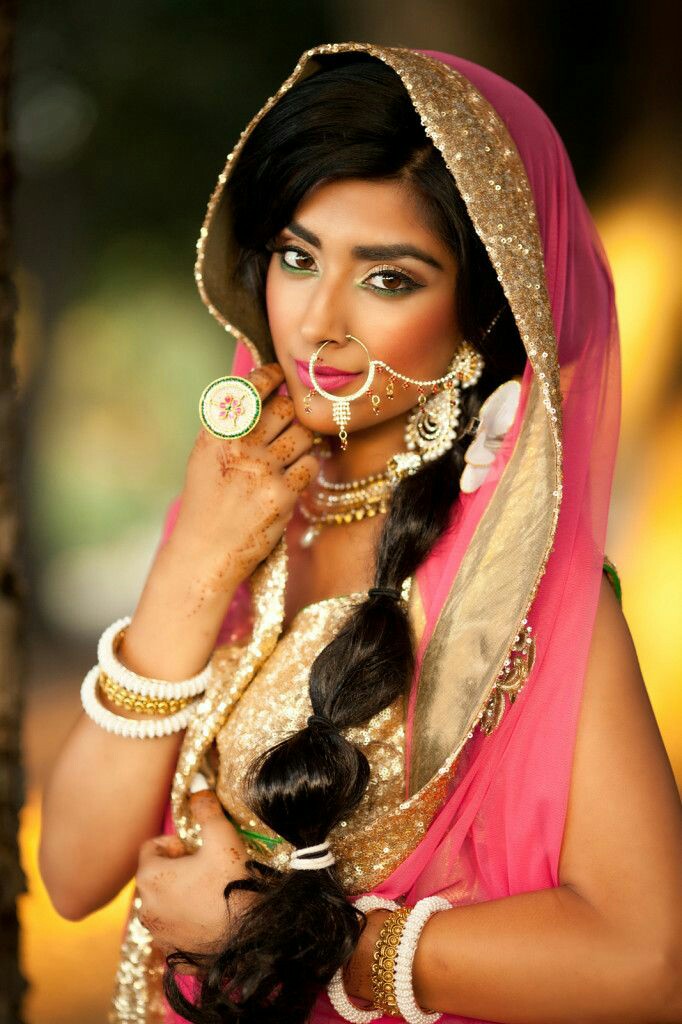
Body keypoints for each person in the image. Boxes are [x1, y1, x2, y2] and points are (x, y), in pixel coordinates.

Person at [38, 43, 682, 1024]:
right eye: (298, 257)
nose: (318, 322)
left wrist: (282, 935)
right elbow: (74, 869)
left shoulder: (514, 582)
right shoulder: (241, 515)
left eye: (388, 279)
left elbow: (646, 960)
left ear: (478, 314)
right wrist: (195, 564)